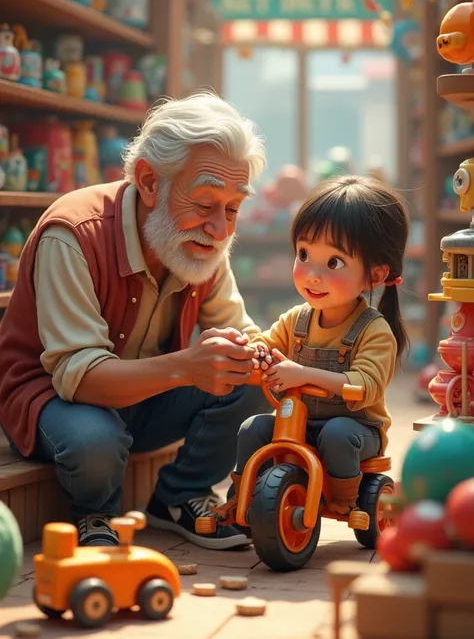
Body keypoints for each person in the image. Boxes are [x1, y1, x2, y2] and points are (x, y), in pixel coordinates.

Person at [0, 91, 272, 550]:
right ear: (148, 181)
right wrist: (187, 367)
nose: (221, 229)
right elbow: (78, 378)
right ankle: (94, 515)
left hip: (148, 397)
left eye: (233, 208)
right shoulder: (72, 235)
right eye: (205, 204)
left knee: (248, 379)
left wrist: (267, 357)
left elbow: (240, 332)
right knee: (95, 440)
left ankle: (178, 496)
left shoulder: (205, 241)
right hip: (55, 401)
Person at [234, 175, 409, 516]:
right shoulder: (296, 320)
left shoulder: (373, 330)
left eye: (333, 263)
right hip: (300, 421)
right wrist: (254, 351)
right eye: (303, 254)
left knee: (338, 433)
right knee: (253, 428)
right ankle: (241, 495)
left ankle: (344, 500)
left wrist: (300, 374)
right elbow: (265, 343)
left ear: (374, 275)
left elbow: (366, 386)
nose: (312, 274)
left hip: (356, 429)